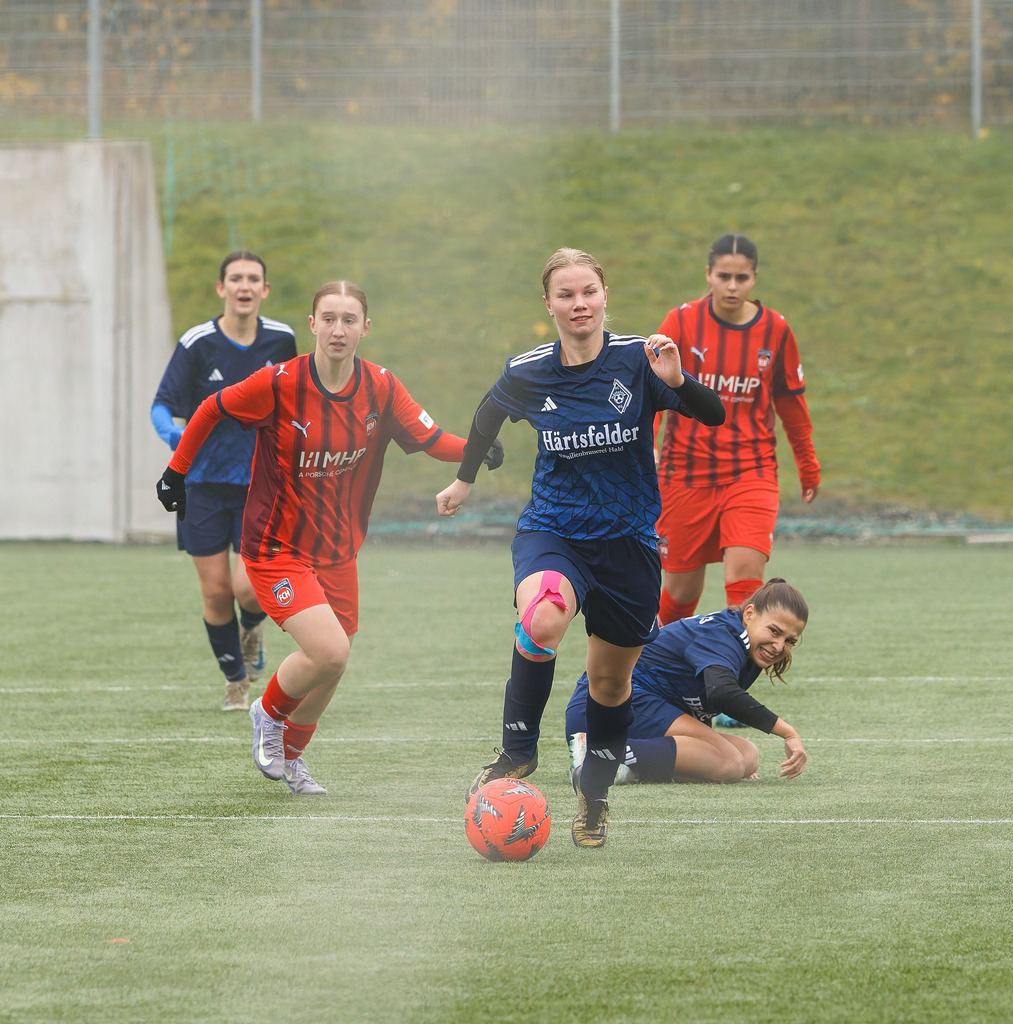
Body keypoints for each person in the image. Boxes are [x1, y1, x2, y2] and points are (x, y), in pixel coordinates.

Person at [158, 280, 501, 795]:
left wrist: (477, 448)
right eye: (329, 318)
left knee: (332, 664)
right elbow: (210, 409)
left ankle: (292, 759)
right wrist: (175, 471)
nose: (339, 329)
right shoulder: (278, 382)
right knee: (330, 652)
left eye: (350, 319)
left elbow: (430, 438)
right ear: (312, 324)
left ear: (366, 327)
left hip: (338, 550)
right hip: (275, 547)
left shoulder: (381, 386)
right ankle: (266, 713)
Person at [436, 247, 725, 848]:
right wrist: (465, 476)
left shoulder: (640, 358)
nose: (579, 304)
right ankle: (518, 751)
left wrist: (677, 381)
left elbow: (714, 414)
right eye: (565, 295)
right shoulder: (529, 370)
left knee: (611, 687)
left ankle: (593, 800)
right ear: (549, 305)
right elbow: (488, 414)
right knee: (543, 616)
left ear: (604, 296)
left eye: (588, 291)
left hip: (629, 545)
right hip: (555, 530)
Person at [151, 251, 297, 712]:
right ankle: (235, 680)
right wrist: (177, 436)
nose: (244, 286)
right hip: (203, 485)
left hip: (261, 483)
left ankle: (251, 629)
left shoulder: (281, 340)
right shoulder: (197, 342)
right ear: (222, 288)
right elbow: (162, 404)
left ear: (264, 290)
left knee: (248, 587)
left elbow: (296, 403)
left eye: (254, 278)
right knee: (215, 590)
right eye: (235, 278)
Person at [653, 233, 820, 625]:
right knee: (680, 594)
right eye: (724, 276)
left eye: (741, 278)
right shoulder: (681, 321)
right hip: (684, 475)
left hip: (751, 472)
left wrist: (808, 465)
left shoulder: (776, 330)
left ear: (754, 279)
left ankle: (725, 683)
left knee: (744, 588)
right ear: (708, 274)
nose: (732, 286)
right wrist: (648, 440)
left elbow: (791, 405)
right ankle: (652, 672)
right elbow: (651, 385)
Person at [565, 578, 808, 783]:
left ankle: (630, 766)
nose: (779, 646)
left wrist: (708, 763)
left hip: (638, 708)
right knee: (729, 762)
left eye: (789, 641)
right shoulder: (723, 635)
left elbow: (692, 701)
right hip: (608, 703)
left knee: (747, 756)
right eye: (774, 631)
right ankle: (598, 754)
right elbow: (721, 693)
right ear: (750, 613)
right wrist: (787, 732)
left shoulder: (745, 641)